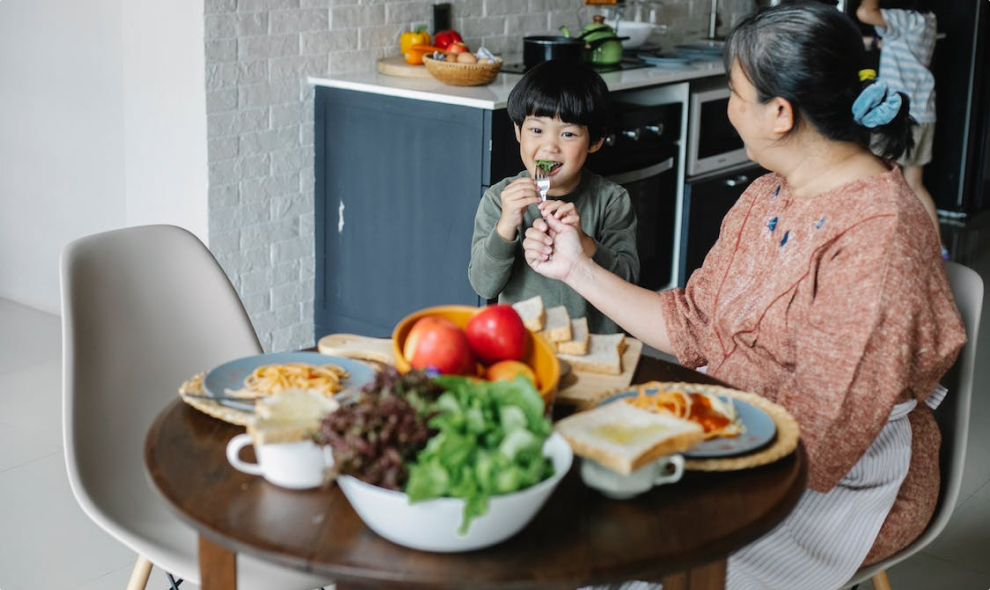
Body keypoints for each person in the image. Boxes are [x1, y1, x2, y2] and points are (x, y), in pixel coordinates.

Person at [524, 4, 965, 589]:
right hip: (736, 421)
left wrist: (667, 446)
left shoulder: (877, 236)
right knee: (561, 514)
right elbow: (691, 324)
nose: (730, 110)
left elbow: (822, 440)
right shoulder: (768, 195)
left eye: (734, 92)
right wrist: (576, 268)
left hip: (835, 481)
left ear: (779, 113)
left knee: (626, 551)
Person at [467, 59, 639, 334]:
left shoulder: (612, 200)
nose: (549, 146)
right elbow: (483, 284)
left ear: (594, 141)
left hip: (591, 344)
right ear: (517, 132)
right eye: (536, 130)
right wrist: (506, 227)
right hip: (522, 342)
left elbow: (629, 281)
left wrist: (585, 244)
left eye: (568, 134)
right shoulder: (499, 199)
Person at [856, 0, 943, 246]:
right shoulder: (927, 19)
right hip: (924, 112)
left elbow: (864, 11)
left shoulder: (902, 19)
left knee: (879, 179)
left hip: (896, 114)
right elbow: (885, 40)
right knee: (915, 184)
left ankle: (878, 242)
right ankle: (937, 247)